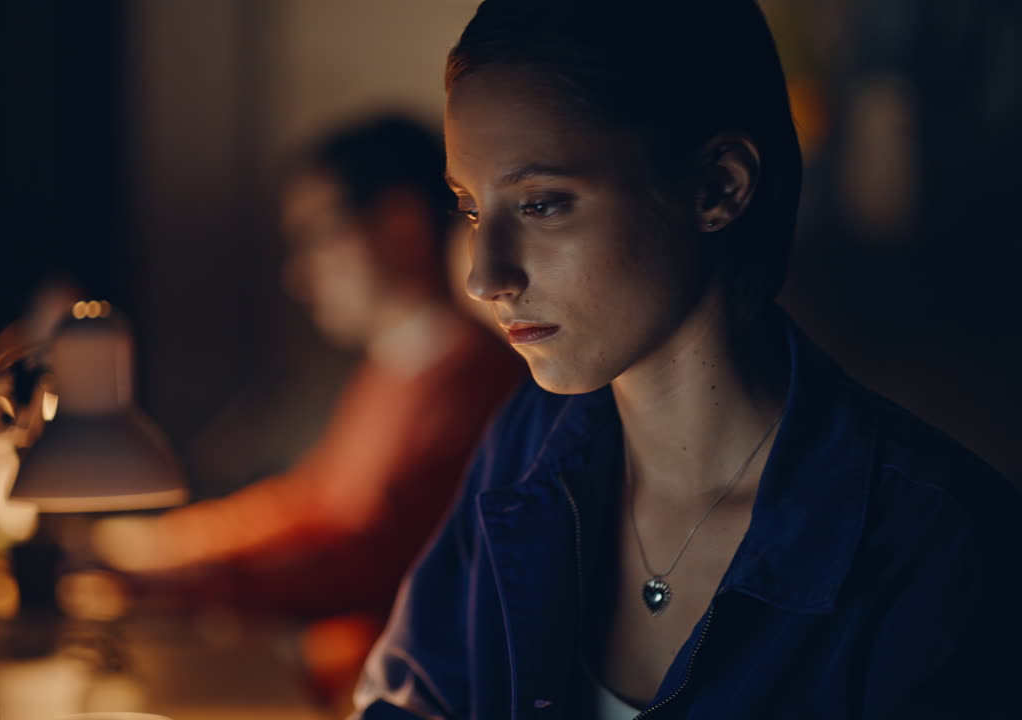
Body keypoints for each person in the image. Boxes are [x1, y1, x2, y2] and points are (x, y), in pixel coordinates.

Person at [352, 2, 1022, 719]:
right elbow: (410, 698)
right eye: (471, 209)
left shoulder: (940, 556)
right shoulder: (526, 446)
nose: (485, 278)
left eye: (542, 204)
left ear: (719, 187)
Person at [93, 115, 522, 705]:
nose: (299, 275)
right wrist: (160, 546)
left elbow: (369, 557)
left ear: (400, 226)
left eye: (316, 237)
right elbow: (313, 502)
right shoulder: (398, 365)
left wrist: (172, 580)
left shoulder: (477, 384)